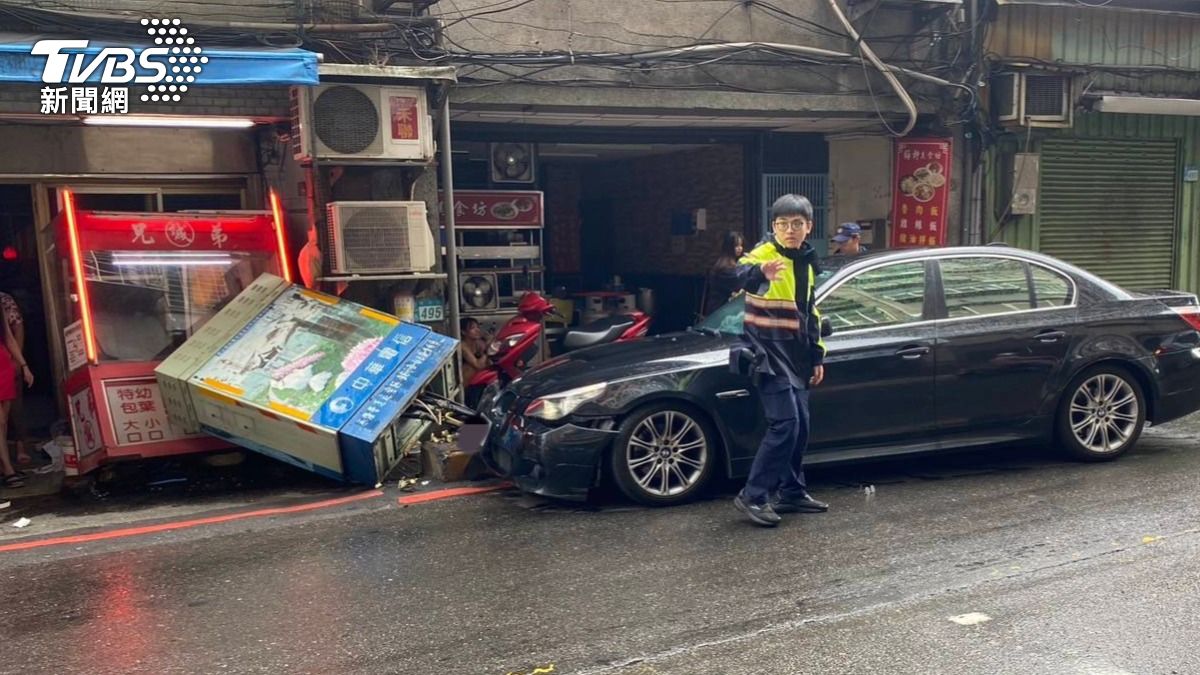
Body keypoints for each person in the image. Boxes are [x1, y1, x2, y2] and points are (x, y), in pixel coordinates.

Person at [730, 194, 828, 527]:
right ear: (773, 227)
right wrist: (758, 271)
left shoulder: (807, 260)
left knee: (800, 427)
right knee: (785, 425)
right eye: (783, 224)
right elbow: (734, 274)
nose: (790, 230)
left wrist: (816, 356)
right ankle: (753, 496)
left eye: (797, 224)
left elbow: (810, 312)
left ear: (808, 227)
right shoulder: (764, 254)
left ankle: (792, 492)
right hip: (768, 356)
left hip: (797, 357)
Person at [0, 300, 33, 489]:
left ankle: (5, 467)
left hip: (3, 364)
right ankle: (8, 468)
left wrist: (23, 366)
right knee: (1, 421)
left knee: (3, 423)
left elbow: (9, 338)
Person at [703, 231, 745, 316]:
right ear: (729, 247)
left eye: (741, 245)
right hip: (720, 312)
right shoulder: (725, 268)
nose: (740, 248)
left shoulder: (729, 265)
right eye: (736, 246)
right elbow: (740, 283)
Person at [459, 317, 490, 384]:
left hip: (477, 379)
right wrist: (488, 351)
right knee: (470, 368)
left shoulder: (479, 343)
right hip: (465, 380)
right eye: (473, 328)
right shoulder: (462, 346)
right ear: (463, 332)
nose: (477, 330)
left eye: (478, 327)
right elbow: (478, 365)